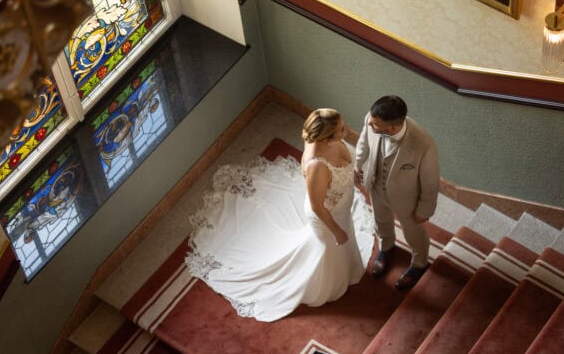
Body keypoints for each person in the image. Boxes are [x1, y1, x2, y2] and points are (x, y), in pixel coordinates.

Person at [185, 109, 374, 321]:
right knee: (331, 249)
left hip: (342, 207)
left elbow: (352, 151)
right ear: (326, 137)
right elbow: (316, 206)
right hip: (327, 216)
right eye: (341, 128)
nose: (346, 129)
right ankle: (328, 284)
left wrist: (353, 173)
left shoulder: (331, 140)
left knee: (345, 241)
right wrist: (336, 230)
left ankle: (348, 269)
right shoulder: (316, 165)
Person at [354, 95, 439, 291]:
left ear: (392, 128)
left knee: (413, 232)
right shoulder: (372, 119)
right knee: (380, 220)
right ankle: (386, 248)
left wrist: (424, 210)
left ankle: (419, 263)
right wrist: (357, 164)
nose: (369, 124)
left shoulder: (424, 145)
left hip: (406, 198)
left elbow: (430, 182)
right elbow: (363, 142)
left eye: (374, 124)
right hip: (376, 185)